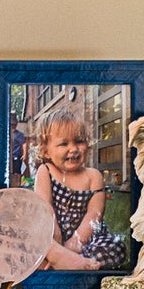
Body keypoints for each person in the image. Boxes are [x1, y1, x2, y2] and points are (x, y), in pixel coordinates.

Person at [33, 110, 125, 273]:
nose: (73, 149)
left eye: (79, 141)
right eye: (64, 144)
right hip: (52, 236)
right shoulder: (46, 171)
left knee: (116, 248)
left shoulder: (93, 176)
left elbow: (94, 214)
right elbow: (44, 208)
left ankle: (61, 261)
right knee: (28, 234)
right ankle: (57, 256)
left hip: (87, 239)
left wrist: (74, 244)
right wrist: (54, 239)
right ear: (46, 151)